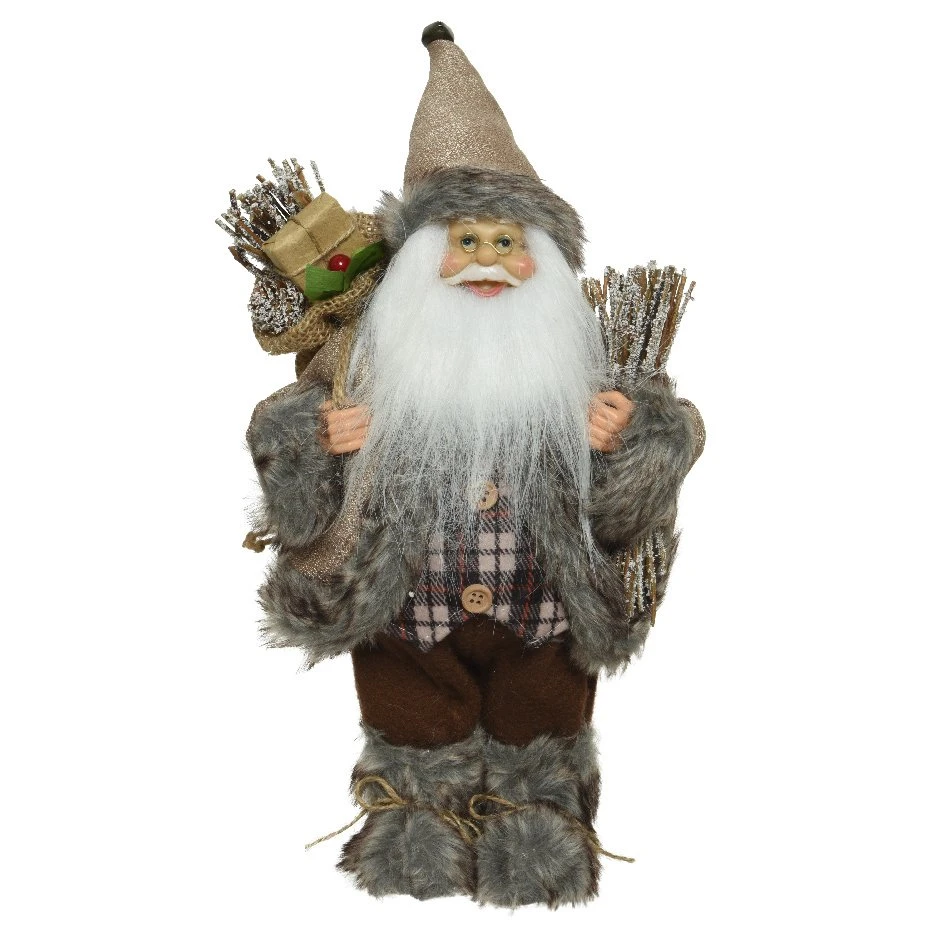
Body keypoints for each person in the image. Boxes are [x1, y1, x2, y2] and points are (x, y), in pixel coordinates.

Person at [246, 23, 703, 907]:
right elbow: (284, 446)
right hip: (404, 605)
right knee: (412, 708)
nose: (486, 262)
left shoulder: (580, 372)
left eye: (505, 242)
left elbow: (631, 504)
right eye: (466, 241)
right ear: (422, 260)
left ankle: (539, 826)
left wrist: (637, 437)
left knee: (543, 713)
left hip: (544, 610)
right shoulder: (366, 362)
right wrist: (316, 440)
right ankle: (416, 821)